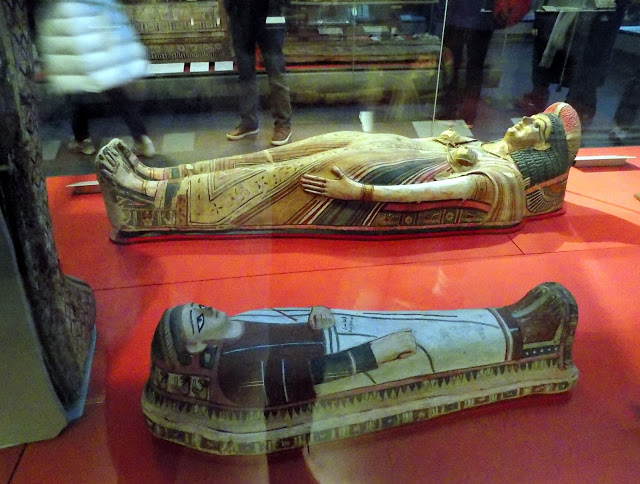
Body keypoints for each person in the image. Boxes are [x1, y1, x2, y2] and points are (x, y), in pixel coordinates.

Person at [142, 282, 579, 454]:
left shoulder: (242, 318)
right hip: (353, 362)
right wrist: (377, 355)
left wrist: (314, 311)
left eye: (197, 306)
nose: (205, 308)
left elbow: (290, 318)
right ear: (196, 345)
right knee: (431, 344)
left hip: (344, 328)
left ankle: (510, 321)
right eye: (197, 319)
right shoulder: (233, 373)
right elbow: (310, 377)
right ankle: (526, 336)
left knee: (431, 322)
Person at [95, 103, 580, 241]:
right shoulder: (484, 144)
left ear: (544, 149)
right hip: (377, 151)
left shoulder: (505, 178)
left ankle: (145, 204)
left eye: (535, 126)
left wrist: (358, 192)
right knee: (272, 158)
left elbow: (440, 192)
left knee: (277, 181)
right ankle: (162, 177)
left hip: (371, 178)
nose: (524, 121)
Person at [36, 0, 155, 157]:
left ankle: (82, 140)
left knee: (75, 96)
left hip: (76, 54)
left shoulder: (60, 5)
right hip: (101, 53)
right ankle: (142, 139)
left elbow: (55, 32)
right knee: (119, 97)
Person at [515, 1, 627, 124]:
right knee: (547, 35)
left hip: (601, 9)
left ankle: (577, 107)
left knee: (590, 49)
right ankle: (539, 94)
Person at [222, 0, 292, 146]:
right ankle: (249, 122)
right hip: (241, 17)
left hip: (270, 15)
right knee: (245, 74)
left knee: (275, 72)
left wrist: (277, 8)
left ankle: (283, 124)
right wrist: (232, 9)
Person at [436, 0, 496, 126]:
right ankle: (461, 111)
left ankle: (458, 110)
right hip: (471, 17)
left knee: (462, 66)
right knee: (463, 66)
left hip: (467, 17)